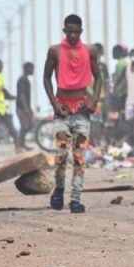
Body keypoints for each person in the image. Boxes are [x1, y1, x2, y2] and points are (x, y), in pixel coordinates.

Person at [43, 14, 103, 214]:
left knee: (79, 157)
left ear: (81, 32)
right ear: (64, 31)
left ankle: (76, 198)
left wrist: (94, 100)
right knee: (60, 155)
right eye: (69, 31)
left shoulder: (90, 51)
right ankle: (59, 190)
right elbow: (46, 78)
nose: (73, 35)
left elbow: (99, 77)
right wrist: (54, 104)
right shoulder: (55, 51)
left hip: (82, 110)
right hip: (62, 110)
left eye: (76, 31)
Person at [16, 62, 35, 150]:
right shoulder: (22, 80)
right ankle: (20, 145)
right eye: (31, 68)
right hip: (21, 108)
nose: (33, 70)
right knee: (24, 126)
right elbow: (22, 94)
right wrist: (26, 108)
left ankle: (21, 144)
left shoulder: (26, 80)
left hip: (26, 107)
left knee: (30, 125)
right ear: (27, 69)